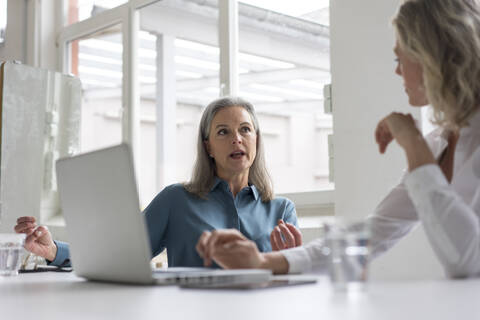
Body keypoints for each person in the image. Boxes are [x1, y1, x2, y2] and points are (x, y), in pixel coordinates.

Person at [196, 0, 480, 278]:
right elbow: (367, 238)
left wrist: (413, 143)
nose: (397, 70)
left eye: (400, 57)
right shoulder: (439, 144)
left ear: (432, 55)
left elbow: (467, 259)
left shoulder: (426, 147)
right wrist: (261, 261)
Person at [14, 97, 302, 268]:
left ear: (257, 140)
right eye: (224, 131)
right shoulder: (176, 200)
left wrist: (290, 264)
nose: (237, 138)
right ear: (209, 147)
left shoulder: (282, 210)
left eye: (245, 130)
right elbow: (119, 254)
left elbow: (296, 274)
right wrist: (53, 251)